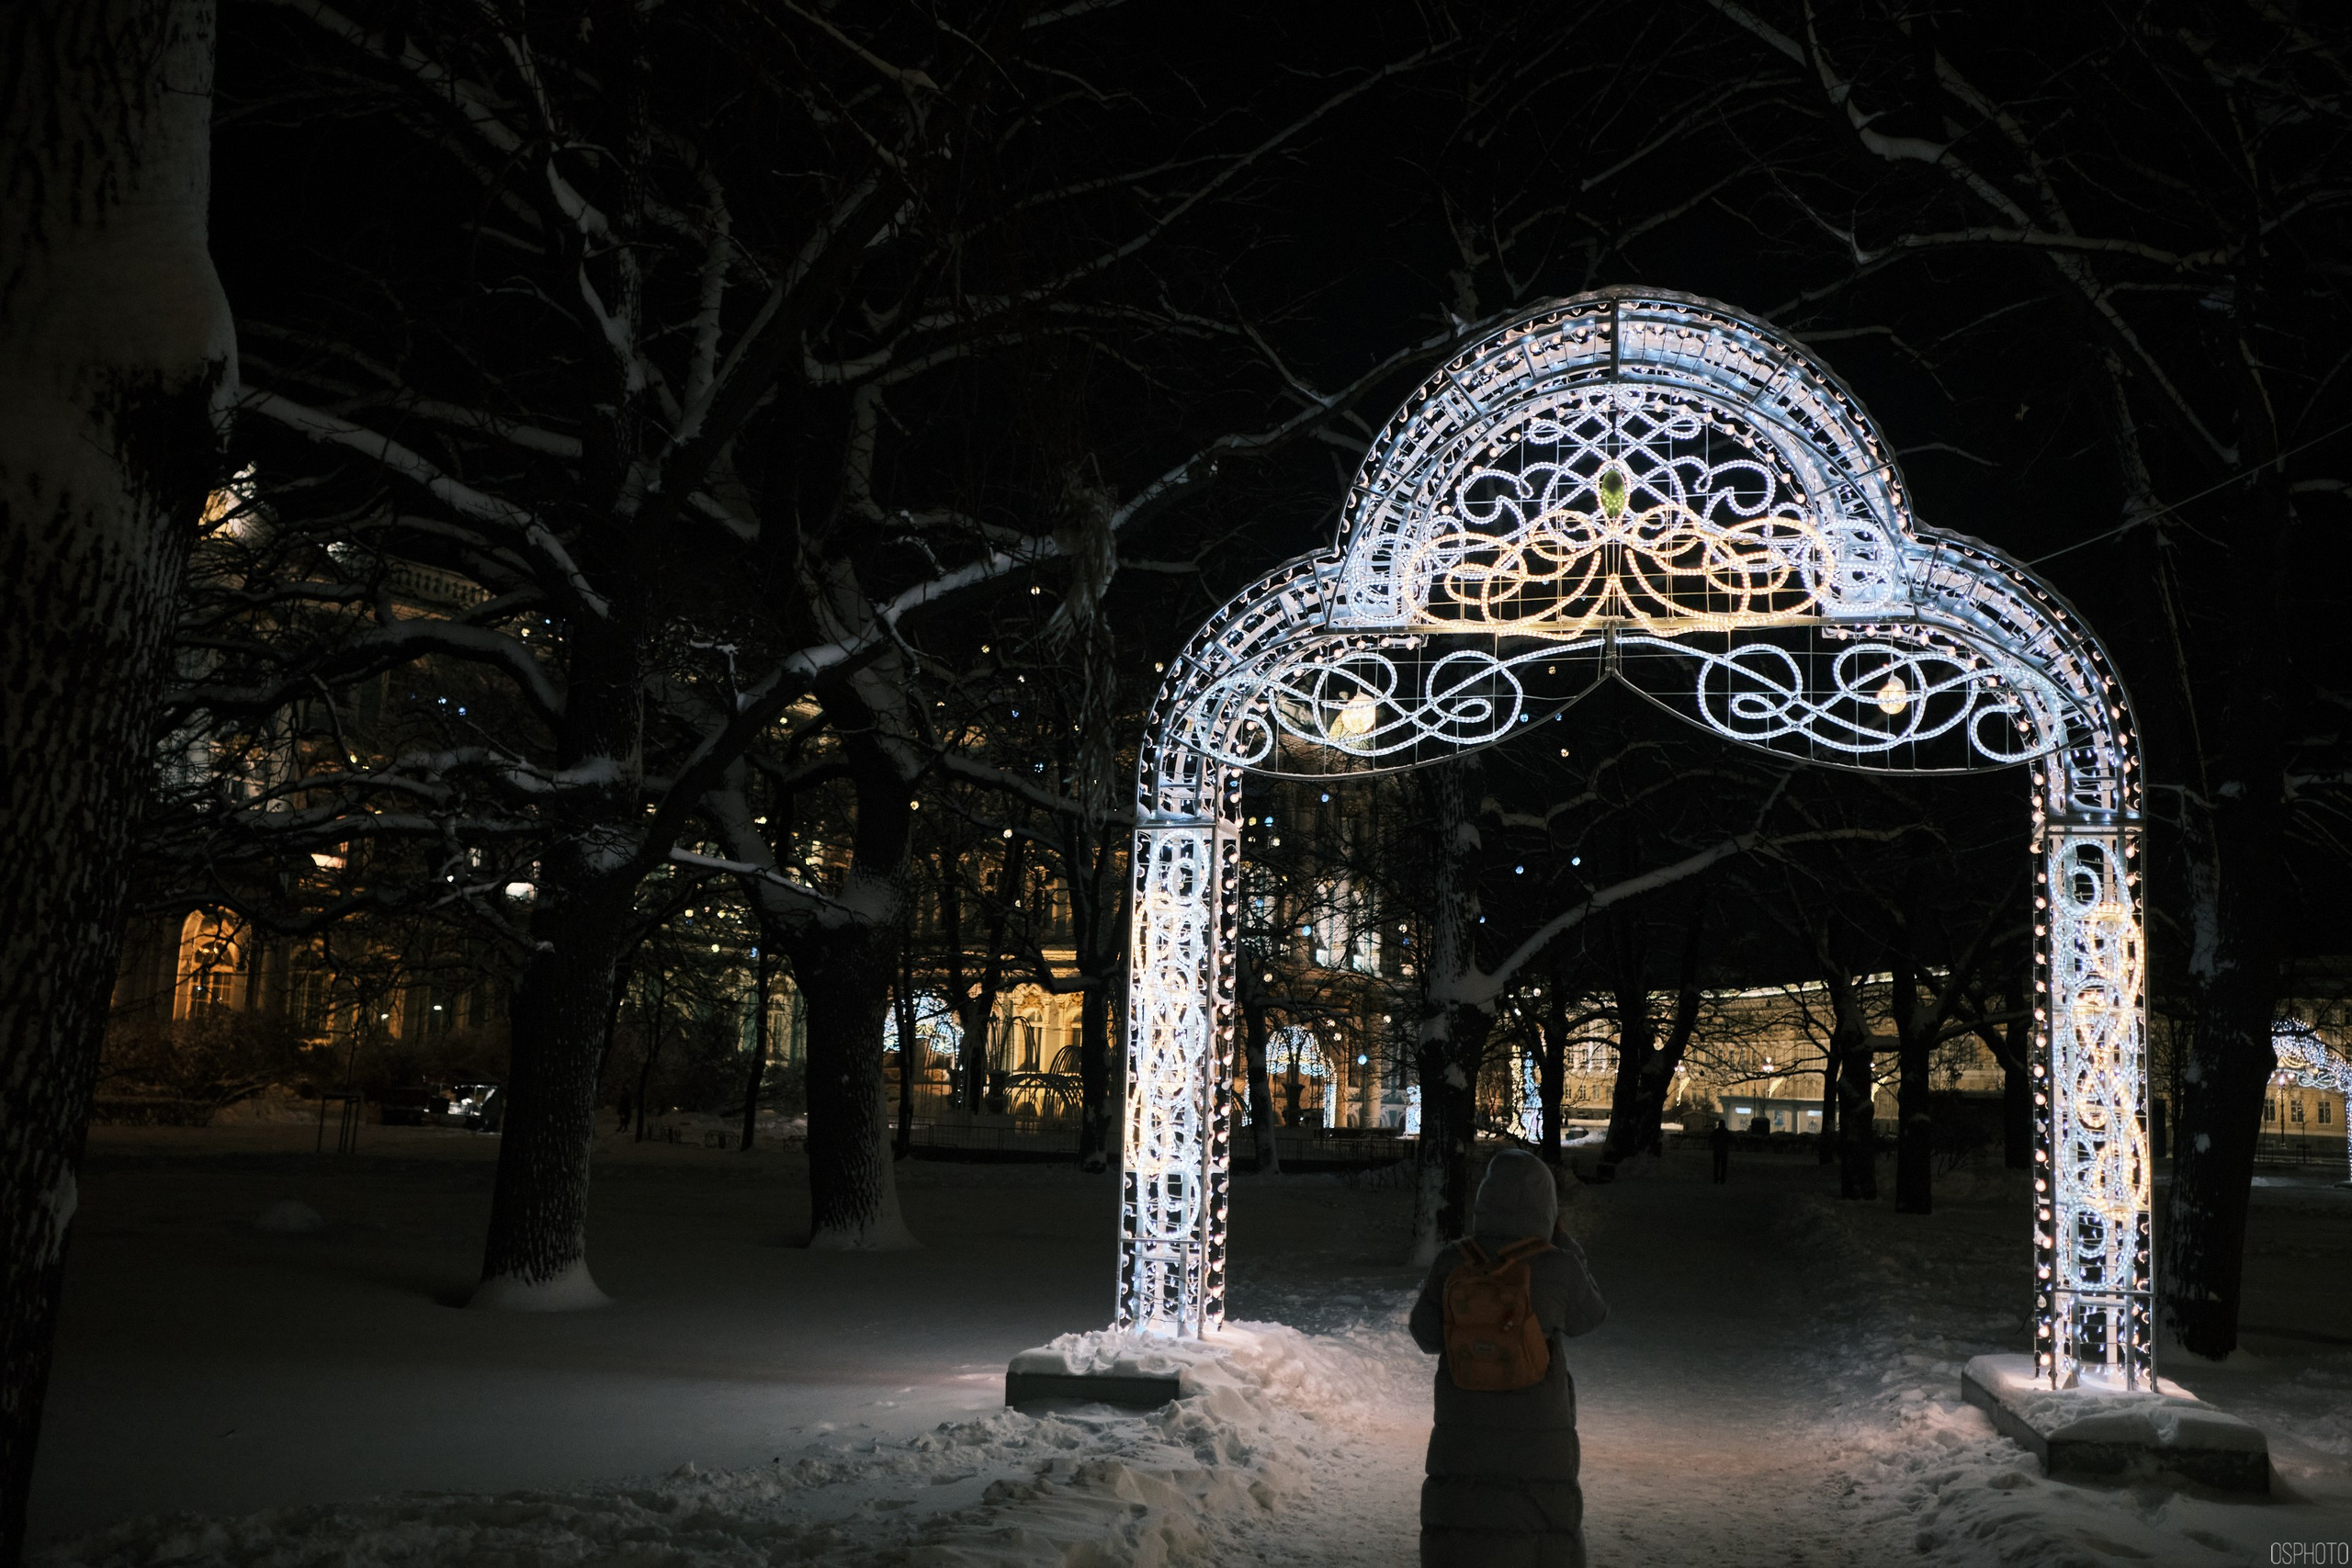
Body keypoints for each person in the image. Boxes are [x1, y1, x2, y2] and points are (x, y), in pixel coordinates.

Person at [1409, 1148, 1608, 1568]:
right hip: (1539, 1435)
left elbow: (1425, 1335)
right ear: (1548, 1208)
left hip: (1462, 1433)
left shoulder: (1453, 1261)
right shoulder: (1556, 1266)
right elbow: (1590, 1317)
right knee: (1538, 1523)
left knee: (1462, 1523)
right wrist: (1564, 1243)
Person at [1709, 1117, 1732, 1184]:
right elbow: (1730, 1140)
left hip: (1716, 1151)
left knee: (1716, 1166)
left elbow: (1711, 1139)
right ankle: (1722, 1179)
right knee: (1723, 1167)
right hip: (1724, 1151)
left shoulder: (1716, 1132)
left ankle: (1716, 1179)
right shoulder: (1726, 1132)